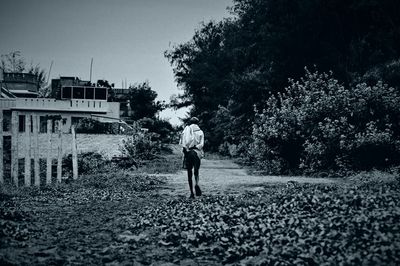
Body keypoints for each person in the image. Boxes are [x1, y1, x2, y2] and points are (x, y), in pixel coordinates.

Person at [179, 117, 204, 198]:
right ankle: (196, 184)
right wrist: (196, 146)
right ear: (197, 123)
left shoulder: (186, 130)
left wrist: (185, 151)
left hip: (189, 151)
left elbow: (183, 142)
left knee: (189, 172)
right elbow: (202, 144)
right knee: (196, 171)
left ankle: (191, 193)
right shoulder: (200, 132)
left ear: (190, 122)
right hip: (197, 152)